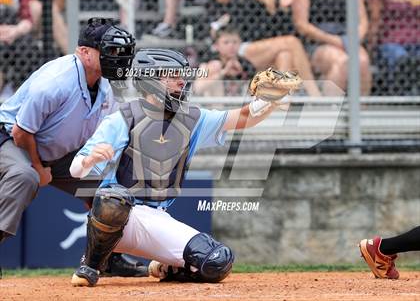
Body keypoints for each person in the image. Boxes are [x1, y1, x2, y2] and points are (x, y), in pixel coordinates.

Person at [69, 48, 292, 287]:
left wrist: (270, 99)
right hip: (118, 218)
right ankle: (91, 265)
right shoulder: (122, 118)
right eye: (172, 75)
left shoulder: (192, 118)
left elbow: (244, 117)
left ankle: (167, 268)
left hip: (156, 219)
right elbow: (75, 170)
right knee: (113, 197)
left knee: (217, 262)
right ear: (151, 79)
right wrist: (89, 160)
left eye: (182, 74)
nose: (181, 80)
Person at [0, 17, 147, 278]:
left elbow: (103, 134)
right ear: (84, 52)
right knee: (26, 176)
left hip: (50, 149)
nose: (117, 57)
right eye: (109, 51)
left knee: (109, 186)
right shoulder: (55, 81)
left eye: (119, 52)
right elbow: (21, 131)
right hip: (11, 137)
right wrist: (39, 167)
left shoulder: (104, 86)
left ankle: (107, 258)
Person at [205, 0, 321, 96]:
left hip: (268, 49)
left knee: (285, 55)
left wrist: (276, 8)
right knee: (292, 42)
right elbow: (216, 26)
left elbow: (279, 30)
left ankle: (281, 105)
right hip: (242, 47)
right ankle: (315, 96)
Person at [292, 0, 372, 96]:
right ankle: (328, 109)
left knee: (363, 61)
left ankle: (361, 109)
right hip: (318, 42)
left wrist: (354, 40)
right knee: (341, 62)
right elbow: (301, 25)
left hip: (348, 39)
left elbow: (363, 22)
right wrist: (335, 41)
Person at [194, 25, 256, 96]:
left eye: (235, 42)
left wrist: (242, 74)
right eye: (226, 42)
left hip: (239, 103)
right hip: (215, 104)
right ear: (216, 45)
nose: (231, 46)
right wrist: (223, 72)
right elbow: (197, 89)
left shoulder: (245, 63)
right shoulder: (208, 62)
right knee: (216, 66)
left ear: (240, 43)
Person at [0, 0, 42, 94]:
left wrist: (15, 31)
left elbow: (27, 20)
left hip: (14, 35)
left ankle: (20, 95)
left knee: (27, 47)